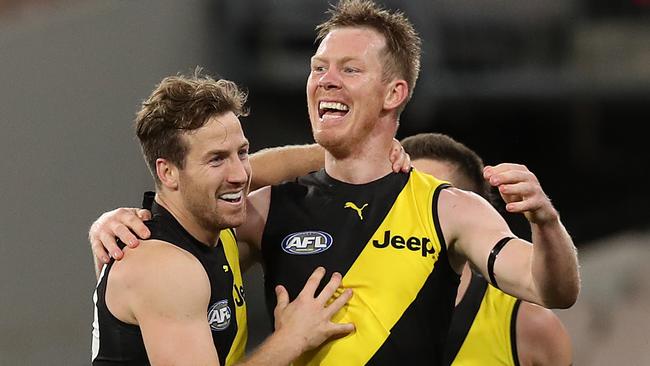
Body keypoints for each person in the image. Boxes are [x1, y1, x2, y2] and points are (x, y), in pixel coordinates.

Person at [89, 1, 580, 365]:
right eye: (318, 67)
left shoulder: (449, 209)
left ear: (395, 92)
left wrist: (547, 220)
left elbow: (550, 287)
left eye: (349, 69)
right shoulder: (259, 213)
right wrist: (117, 223)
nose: (326, 79)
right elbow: (182, 221)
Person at [91, 73, 357, 365]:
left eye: (241, 152)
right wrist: (293, 339)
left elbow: (269, 167)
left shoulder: (211, 233)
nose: (240, 174)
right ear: (168, 173)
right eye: (216, 159)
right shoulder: (163, 267)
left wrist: (356, 154)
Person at [401, 133, 573, 366]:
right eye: (400, 198)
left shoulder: (527, 326)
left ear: (473, 214)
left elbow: (558, 290)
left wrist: (547, 221)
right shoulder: (346, 308)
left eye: (430, 201)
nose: (408, 214)